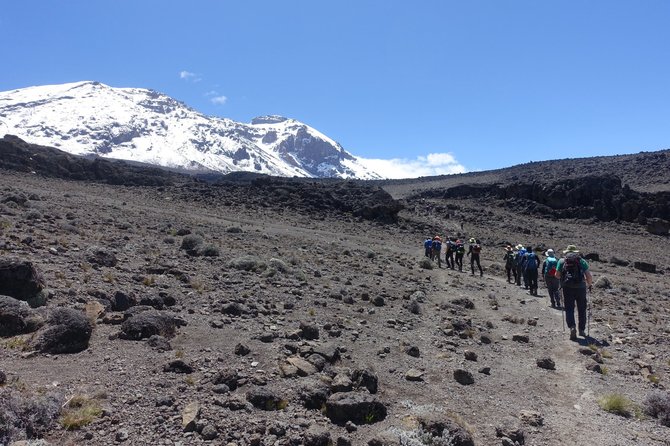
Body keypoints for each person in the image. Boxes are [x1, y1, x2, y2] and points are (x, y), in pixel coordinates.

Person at [555, 245, 593, 341]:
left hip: (568, 288)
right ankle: (581, 330)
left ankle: (572, 327)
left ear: (567, 252)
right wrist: (589, 285)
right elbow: (588, 276)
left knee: (569, 308)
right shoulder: (581, 261)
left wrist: (564, 279)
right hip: (581, 288)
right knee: (582, 309)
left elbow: (557, 275)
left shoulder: (562, 261)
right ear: (576, 252)